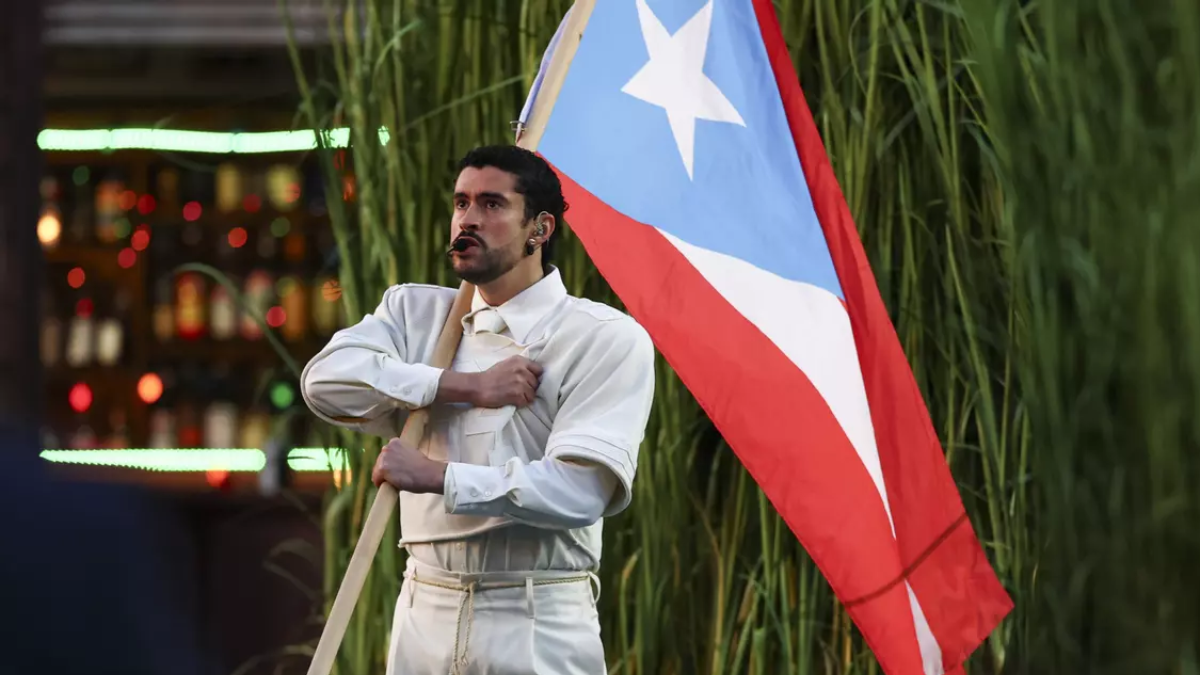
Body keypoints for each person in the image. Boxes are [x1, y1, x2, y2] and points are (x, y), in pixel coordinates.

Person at [300, 144, 656, 675]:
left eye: (492, 205)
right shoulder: (415, 314)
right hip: (423, 607)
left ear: (539, 228)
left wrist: (439, 477)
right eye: (461, 202)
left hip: (536, 616)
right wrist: (459, 386)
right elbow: (323, 382)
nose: (468, 219)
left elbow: (580, 492)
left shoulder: (602, 337)